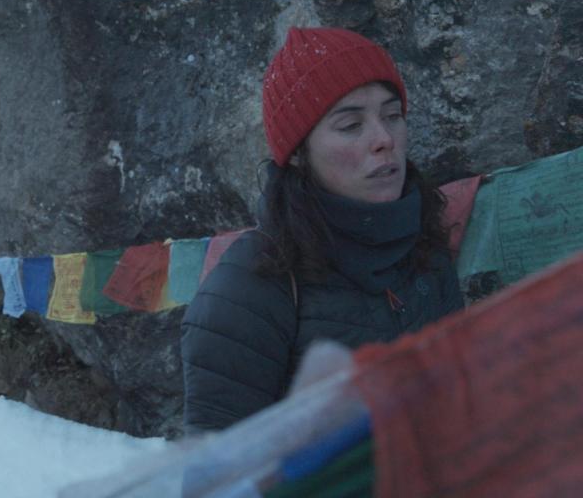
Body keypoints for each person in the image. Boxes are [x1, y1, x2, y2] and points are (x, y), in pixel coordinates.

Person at [180, 27, 464, 434]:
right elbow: (219, 479)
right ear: (298, 154)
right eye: (351, 125)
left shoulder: (423, 240)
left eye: (392, 115)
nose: (384, 139)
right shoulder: (249, 288)